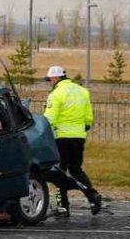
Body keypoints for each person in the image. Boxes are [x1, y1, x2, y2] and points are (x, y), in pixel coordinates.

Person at [43, 65, 102, 215]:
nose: (48, 82)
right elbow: (88, 117)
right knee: (76, 170)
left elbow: (49, 119)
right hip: (79, 137)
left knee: (59, 172)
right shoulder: (82, 91)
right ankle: (92, 196)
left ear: (56, 78)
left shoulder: (56, 94)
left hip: (61, 138)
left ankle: (63, 206)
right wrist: (83, 128)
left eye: (49, 79)